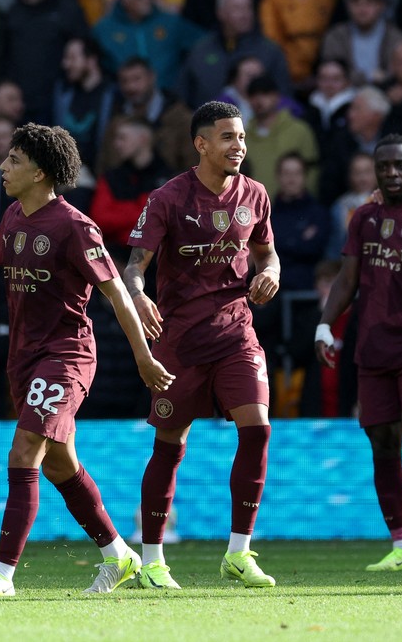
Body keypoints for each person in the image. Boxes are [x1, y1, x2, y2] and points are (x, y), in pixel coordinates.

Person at [0, 123, 172, 597]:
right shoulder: (17, 214)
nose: (4, 166)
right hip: (23, 360)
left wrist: (144, 358)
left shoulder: (75, 226)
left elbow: (117, 296)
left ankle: (2, 574)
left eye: (14, 160)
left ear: (41, 172)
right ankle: (119, 555)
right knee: (60, 465)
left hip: (65, 356)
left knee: (24, 453)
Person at [123, 100, 282, 590]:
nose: (239, 146)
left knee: (257, 428)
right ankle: (152, 559)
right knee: (170, 446)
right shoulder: (168, 198)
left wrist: (270, 273)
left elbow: (267, 252)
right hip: (179, 342)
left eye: (242, 138)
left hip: (236, 332)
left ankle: (238, 552)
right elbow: (133, 267)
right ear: (202, 143)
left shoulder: (255, 194)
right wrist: (138, 294)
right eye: (229, 137)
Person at [315, 135, 402, 572]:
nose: (392, 173)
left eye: (400, 165)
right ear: (376, 171)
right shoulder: (365, 218)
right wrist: (323, 324)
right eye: (385, 166)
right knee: (383, 444)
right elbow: (347, 279)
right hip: (372, 349)